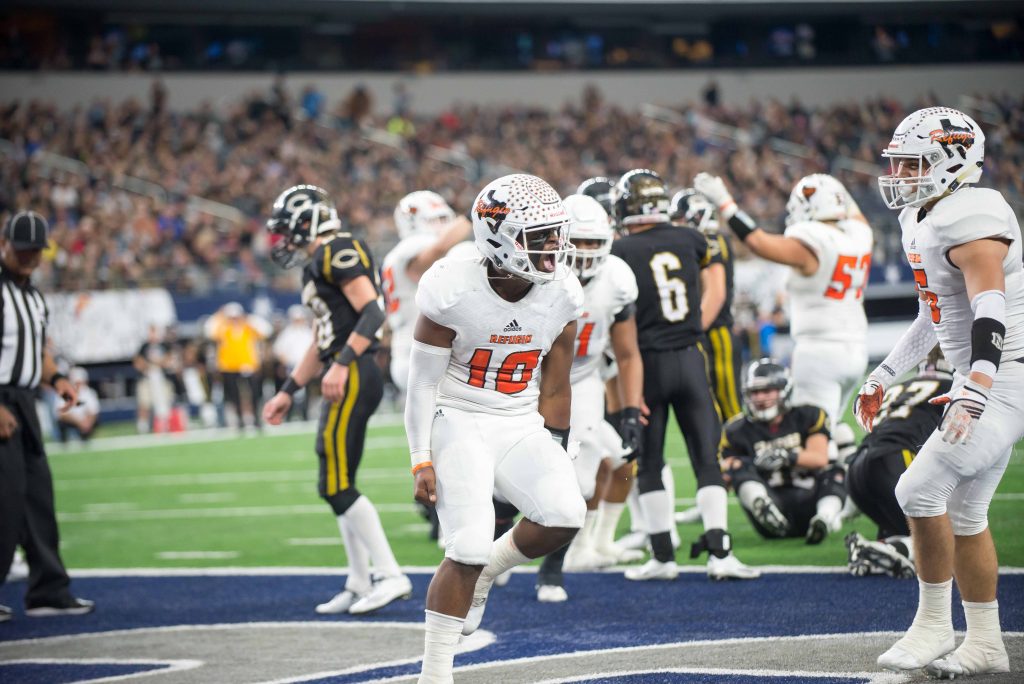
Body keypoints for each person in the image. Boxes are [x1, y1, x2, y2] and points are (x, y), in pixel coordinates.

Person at [855, 107, 1022, 678]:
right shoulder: (923, 216)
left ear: (953, 163)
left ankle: (932, 624)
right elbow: (937, 313)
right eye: (898, 162)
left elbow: (988, 306)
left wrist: (976, 383)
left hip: (1003, 374)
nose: (899, 173)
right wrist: (883, 374)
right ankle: (986, 644)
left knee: (917, 490)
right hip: (983, 372)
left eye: (912, 162)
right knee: (966, 512)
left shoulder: (971, 216)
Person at [404, 173, 585, 683]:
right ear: (498, 236)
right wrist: (420, 457)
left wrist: (559, 446)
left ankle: (487, 574)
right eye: (540, 236)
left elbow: (556, 385)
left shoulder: (563, 293)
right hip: (458, 414)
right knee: (467, 545)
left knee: (565, 512)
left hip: (518, 417)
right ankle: (434, 675)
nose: (554, 247)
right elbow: (421, 386)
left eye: (556, 234)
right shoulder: (452, 286)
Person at [261, 185, 411, 616]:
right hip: (343, 369)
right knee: (335, 477)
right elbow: (320, 339)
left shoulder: (337, 249)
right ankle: (360, 580)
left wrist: (343, 364)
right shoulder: (316, 264)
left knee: (335, 483)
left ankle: (389, 574)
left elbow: (374, 313)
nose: (284, 241)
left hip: (354, 372)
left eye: (289, 230)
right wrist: (288, 391)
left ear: (309, 222)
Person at [609, 169, 757, 581]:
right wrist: (694, 328)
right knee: (706, 459)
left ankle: (662, 558)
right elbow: (716, 288)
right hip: (691, 357)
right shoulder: (691, 239)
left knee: (650, 461)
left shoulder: (620, 250)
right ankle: (720, 554)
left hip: (647, 363)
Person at [694, 172, 873, 439]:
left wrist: (725, 203)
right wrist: (829, 186)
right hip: (857, 350)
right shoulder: (860, 234)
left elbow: (758, 242)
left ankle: (832, 478)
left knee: (812, 436)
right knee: (832, 429)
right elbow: (848, 205)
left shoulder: (813, 242)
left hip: (819, 351)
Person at [534, 193, 644, 602]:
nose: (583, 253)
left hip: (582, 382)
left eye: (593, 243)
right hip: (530, 382)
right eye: (576, 242)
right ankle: (500, 540)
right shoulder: (535, 272)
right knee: (511, 481)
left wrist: (630, 408)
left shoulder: (617, 278)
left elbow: (628, 351)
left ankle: (560, 563)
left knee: (599, 472)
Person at [0, 210, 92, 622]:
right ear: (5, 245)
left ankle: (48, 590)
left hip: (24, 401)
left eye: (36, 251)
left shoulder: (34, 297)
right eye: (23, 250)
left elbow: (38, 350)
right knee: (6, 499)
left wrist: (57, 380)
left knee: (38, 495)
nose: (30, 258)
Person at [845, 348, 952, 579]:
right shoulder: (953, 388)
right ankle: (892, 548)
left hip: (856, 468)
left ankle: (883, 547)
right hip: (892, 461)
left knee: (902, 526)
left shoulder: (897, 387)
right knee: (946, 538)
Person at [720, 359, 846, 544]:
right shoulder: (736, 430)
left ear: (784, 390)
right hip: (772, 500)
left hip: (810, 501)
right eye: (754, 392)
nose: (760, 398)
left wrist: (786, 456)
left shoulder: (808, 415)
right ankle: (762, 507)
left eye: (767, 391)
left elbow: (820, 459)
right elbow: (724, 482)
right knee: (739, 465)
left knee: (835, 470)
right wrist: (733, 468)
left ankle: (825, 517)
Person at [381, 191, 472, 393]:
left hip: (414, 353)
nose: (444, 225)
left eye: (445, 218)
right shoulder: (413, 249)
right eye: (436, 219)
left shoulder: (396, 256)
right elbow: (438, 249)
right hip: (419, 355)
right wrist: (473, 214)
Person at [671, 187, 741, 420]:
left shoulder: (710, 239)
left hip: (714, 329)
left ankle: (738, 453)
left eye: (680, 219)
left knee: (728, 404)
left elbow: (716, 293)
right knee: (710, 404)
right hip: (708, 328)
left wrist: (693, 331)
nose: (676, 225)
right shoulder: (711, 238)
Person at [205, 302, 271, 431]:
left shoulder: (248, 326)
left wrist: (249, 318)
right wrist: (219, 315)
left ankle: (257, 419)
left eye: (236, 316)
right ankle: (240, 420)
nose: (234, 319)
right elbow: (209, 330)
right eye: (231, 317)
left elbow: (266, 330)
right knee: (233, 395)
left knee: (255, 393)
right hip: (229, 367)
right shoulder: (223, 328)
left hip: (249, 365)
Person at [272, 305, 315, 421]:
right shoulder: (287, 334)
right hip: (291, 366)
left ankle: (305, 415)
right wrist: (286, 363)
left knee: (306, 393)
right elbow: (278, 351)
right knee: (290, 391)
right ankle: (289, 416)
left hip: (307, 366)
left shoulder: (308, 332)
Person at [56, 367, 100, 442]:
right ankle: (64, 441)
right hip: (72, 422)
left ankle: (86, 437)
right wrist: (78, 422)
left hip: (85, 422)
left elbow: (94, 412)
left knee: (95, 422)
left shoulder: (89, 392)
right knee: (61, 423)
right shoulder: (64, 393)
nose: (79, 386)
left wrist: (87, 423)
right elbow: (61, 414)